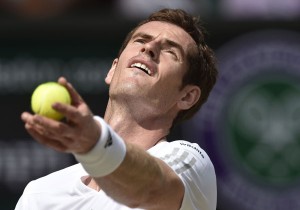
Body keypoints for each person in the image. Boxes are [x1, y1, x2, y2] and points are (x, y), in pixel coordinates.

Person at [16, 8, 218, 210]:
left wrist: (96, 143)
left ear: (187, 96)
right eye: (140, 40)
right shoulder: (39, 194)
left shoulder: (192, 162)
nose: (149, 47)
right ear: (112, 70)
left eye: (170, 51)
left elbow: (151, 190)